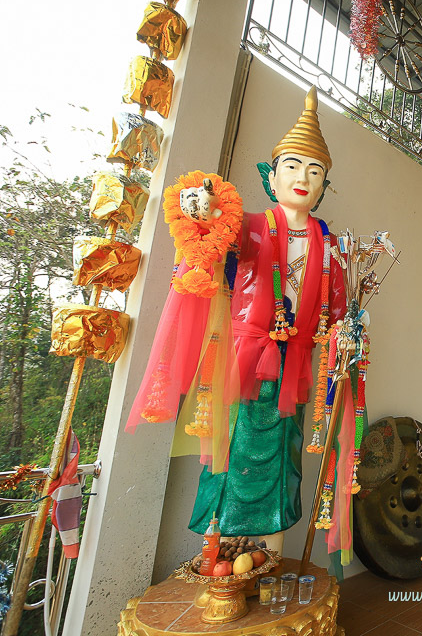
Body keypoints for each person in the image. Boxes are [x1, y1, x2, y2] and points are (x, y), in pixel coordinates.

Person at [128, 88, 346, 549]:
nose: (303, 177)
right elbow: (205, 225)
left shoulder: (331, 247)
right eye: (292, 166)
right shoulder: (248, 226)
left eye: (315, 171)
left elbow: (339, 311)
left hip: (295, 364)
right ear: (272, 177)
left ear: (325, 187)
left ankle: (271, 555)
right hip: (243, 358)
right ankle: (219, 555)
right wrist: (203, 208)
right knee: (231, 449)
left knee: (285, 455)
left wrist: (347, 335)